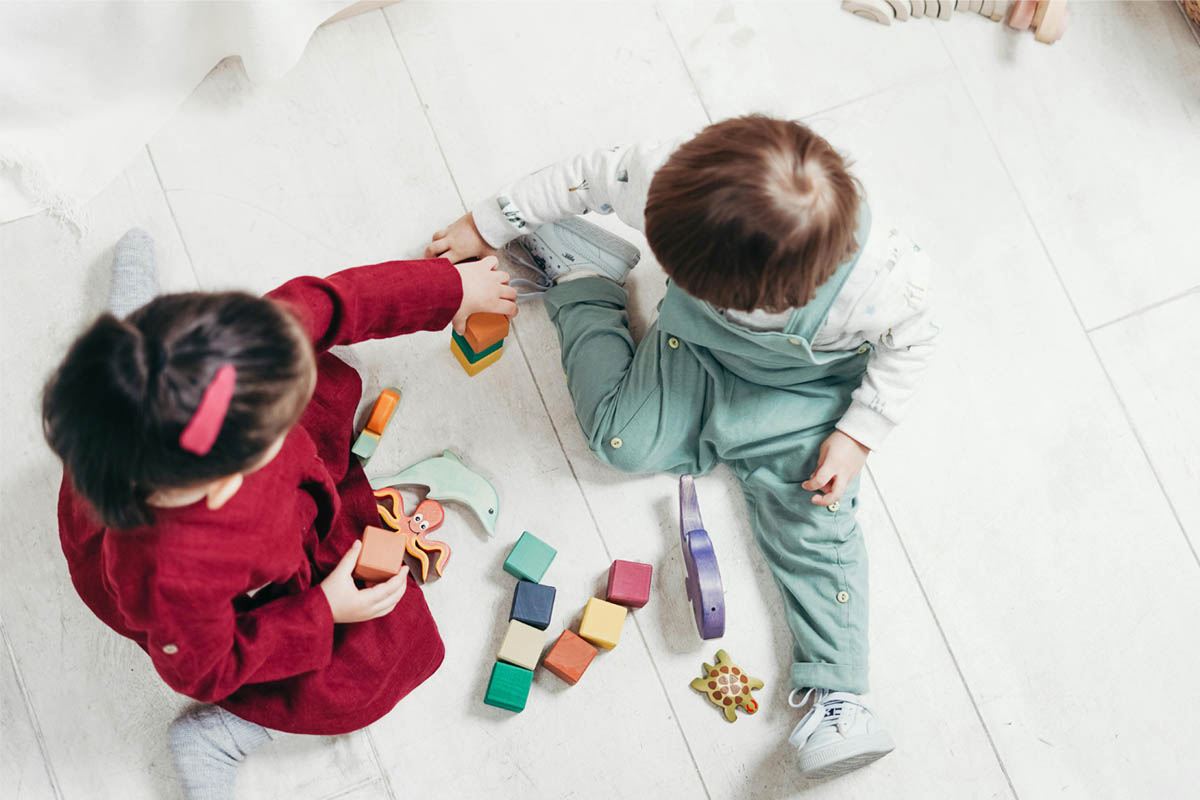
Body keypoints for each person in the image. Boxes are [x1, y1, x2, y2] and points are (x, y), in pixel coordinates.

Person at [425, 115, 939, 780]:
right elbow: (582, 176)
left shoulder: (881, 279)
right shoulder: (670, 174)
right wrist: (488, 223)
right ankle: (584, 271)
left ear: (793, 290)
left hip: (802, 397)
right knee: (618, 441)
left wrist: (857, 435)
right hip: (695, 349)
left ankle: (838, 692)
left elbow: (915, 342)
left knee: (814, 516)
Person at [43, 229, 516, 799]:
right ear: (219, 488)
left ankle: (126, 328)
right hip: (258, 586)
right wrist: (322, 611)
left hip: (183, 447)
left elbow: (338, 301)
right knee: (370, 666)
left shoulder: (241, 354)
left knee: (330, 369)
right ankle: (224, 736)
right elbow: (203, 669)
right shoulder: (173, 576)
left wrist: (452, 288)